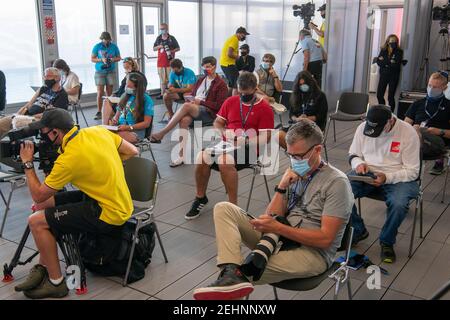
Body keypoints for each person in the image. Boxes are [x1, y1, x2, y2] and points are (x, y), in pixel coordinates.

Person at [192, 119, 353, 300]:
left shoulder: (337, 183)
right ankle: (230, 271)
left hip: (312, 253)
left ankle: (234, 277)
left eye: (299, 156)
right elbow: (272, 216)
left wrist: (278, 228)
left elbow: (325, 239)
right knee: (224, 208)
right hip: (278, 238)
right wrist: (282, 186)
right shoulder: (295, 172)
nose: (294, 160)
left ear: (317, 150)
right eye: (290, 155)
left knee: (247, 272)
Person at [13, 108, 138, 299]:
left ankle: (56, 283)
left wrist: (27, 164)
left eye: (43, 132)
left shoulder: (69, 158)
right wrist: (104, 165)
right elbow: (133, 151)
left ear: (56, 132)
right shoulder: (97, 131)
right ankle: (43, 265)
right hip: (110, 198)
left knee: (36, 220)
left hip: (109, 212)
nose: (41, 136)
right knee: (43, 207)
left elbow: (38, 194)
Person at [185, 72, 274, 220]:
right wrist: (225, 131)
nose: (243, 95)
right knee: (202, 156)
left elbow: (266, 138)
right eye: (241, 92)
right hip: (227, 143)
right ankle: (200, 197)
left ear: (255, 89)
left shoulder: (264, 108)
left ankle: (233, 207)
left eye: (247, 93)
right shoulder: (231, 101)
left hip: (250, 148)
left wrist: (245, 141)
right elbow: (218, 123)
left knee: (224, 161)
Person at [349, 105, 420, 263]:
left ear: (390, 121)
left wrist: (387, 177)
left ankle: (387, 242)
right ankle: (358, 230)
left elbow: (413, 171)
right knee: (340, 190)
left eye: (379, 129)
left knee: (399, 204)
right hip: (367, 173)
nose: (375, 134)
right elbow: (353, 154)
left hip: (399, 176)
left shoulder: (408, 133)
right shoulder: (363, 127)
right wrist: (358, 164)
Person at [150, 56, 228, 167]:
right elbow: (194, 94)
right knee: (184, 120)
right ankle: (181, 156)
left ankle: (162, 133)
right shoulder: (201, 80)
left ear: (214, 67)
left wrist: (200, 102)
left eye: (208, 67)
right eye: (204, 67)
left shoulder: (221, 84)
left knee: (186, 106)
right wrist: (191, 98)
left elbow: (219, 106)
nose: (206, 69)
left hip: (209, 112)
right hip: (196, 107)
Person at [0, 67, 68, 139]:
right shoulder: (43, 88)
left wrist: (29, 117)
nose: (45, 79)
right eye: (44, 76)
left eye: (48, 76)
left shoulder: (61, 95)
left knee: (5, 127)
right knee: (5, 122)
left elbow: (53, 115)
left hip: (39, 120)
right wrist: (17, 114)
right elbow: (29, 104)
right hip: (27, 116)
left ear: (57, 78)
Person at [405, 72, 450, 175]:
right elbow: (405, 126)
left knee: (416, 131)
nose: (431, 89)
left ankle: (411, 171)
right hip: (415, 139)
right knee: (413, 131)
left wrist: (439, 131)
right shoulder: (418, 104)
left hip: (437, 140)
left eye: (435, 87)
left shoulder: (448, 106)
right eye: (430, 86)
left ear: (444, 87)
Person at [278, 71, 328, 149]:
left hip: (313, 126)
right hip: (298, 124)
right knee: (278, 135)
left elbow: (321, 116)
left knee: (298, 140)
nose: (302, 86)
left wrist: (307, 119)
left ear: (310, 83)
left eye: (304, 84)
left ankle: (299, 155)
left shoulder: (320, 96)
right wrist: (297, 119)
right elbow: (291, 114)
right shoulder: (296, 95)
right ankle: (295, 154)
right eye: (300, 85)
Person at [102, 72, 153, 144]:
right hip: (120, 127)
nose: (126, 87)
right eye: (126, 84)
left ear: (137, 87)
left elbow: (146, 123)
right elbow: (117, 115)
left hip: (134, 131)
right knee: (106, 102)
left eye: (129, 86)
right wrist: (115, 120)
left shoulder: (146, 100)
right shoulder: (125, 95)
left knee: (114, 137)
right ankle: (105, 128)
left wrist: (128, 127)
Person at [91, 31, 121, 120]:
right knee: (100, 92)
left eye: (108, 40)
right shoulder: (97, 46)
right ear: (101, 39)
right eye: (105, 40)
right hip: (100, 71)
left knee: (109, 93)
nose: (107, 42)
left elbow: (119, 57)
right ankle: (99, 111)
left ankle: (110, 110)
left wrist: (112, 59)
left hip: (110, 71)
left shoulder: (114, 46)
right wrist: (101, 60)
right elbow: (92, 58)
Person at [376, 34, 404, 111]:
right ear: (388, 41)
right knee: (379, 95)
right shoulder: (383, 50)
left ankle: (391, 113)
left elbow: (396, 64)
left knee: (390, 97)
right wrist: (389, 61)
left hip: (393, 76)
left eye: (395, 41)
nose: (393, 43)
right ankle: (383, 110)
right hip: (384, 75)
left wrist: (384, 61)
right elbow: (378, 62)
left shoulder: (399, 51)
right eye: (392, 41)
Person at [220, 27, 250, 96]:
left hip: (225, 64)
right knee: (237, 84)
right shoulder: (235, 40)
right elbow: (229, 53)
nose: (244, 36)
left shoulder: (232, 38)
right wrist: (238, 57)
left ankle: (226, 100)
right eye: (244, 34)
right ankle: (234, 102)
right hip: (228, 64)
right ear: (238, 33)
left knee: (231, 84)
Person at [153, 23, 180, 99]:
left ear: (167, 29)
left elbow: (178, 48)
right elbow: (154, 48)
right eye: (161, 29)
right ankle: (162, 94)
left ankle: (169, 94)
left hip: (170, 63)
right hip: (160, 63)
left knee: (170, 79)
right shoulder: (158, 38)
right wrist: (160, 46)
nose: (162, 30)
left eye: (163, 29)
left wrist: (171, 51)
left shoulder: (172, 38)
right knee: (162, 80)